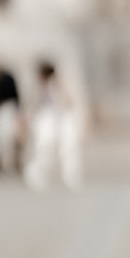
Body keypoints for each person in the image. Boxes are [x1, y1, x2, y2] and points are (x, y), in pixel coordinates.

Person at [22, 62, 82, 191]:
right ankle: (37, 174)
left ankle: (70, 176)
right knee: (44, 147)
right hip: (46, 118)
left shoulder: (61, 85)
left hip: (63, 117)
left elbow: (71, 101)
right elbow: (33, 105)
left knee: (68, 147)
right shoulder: (39, 88)